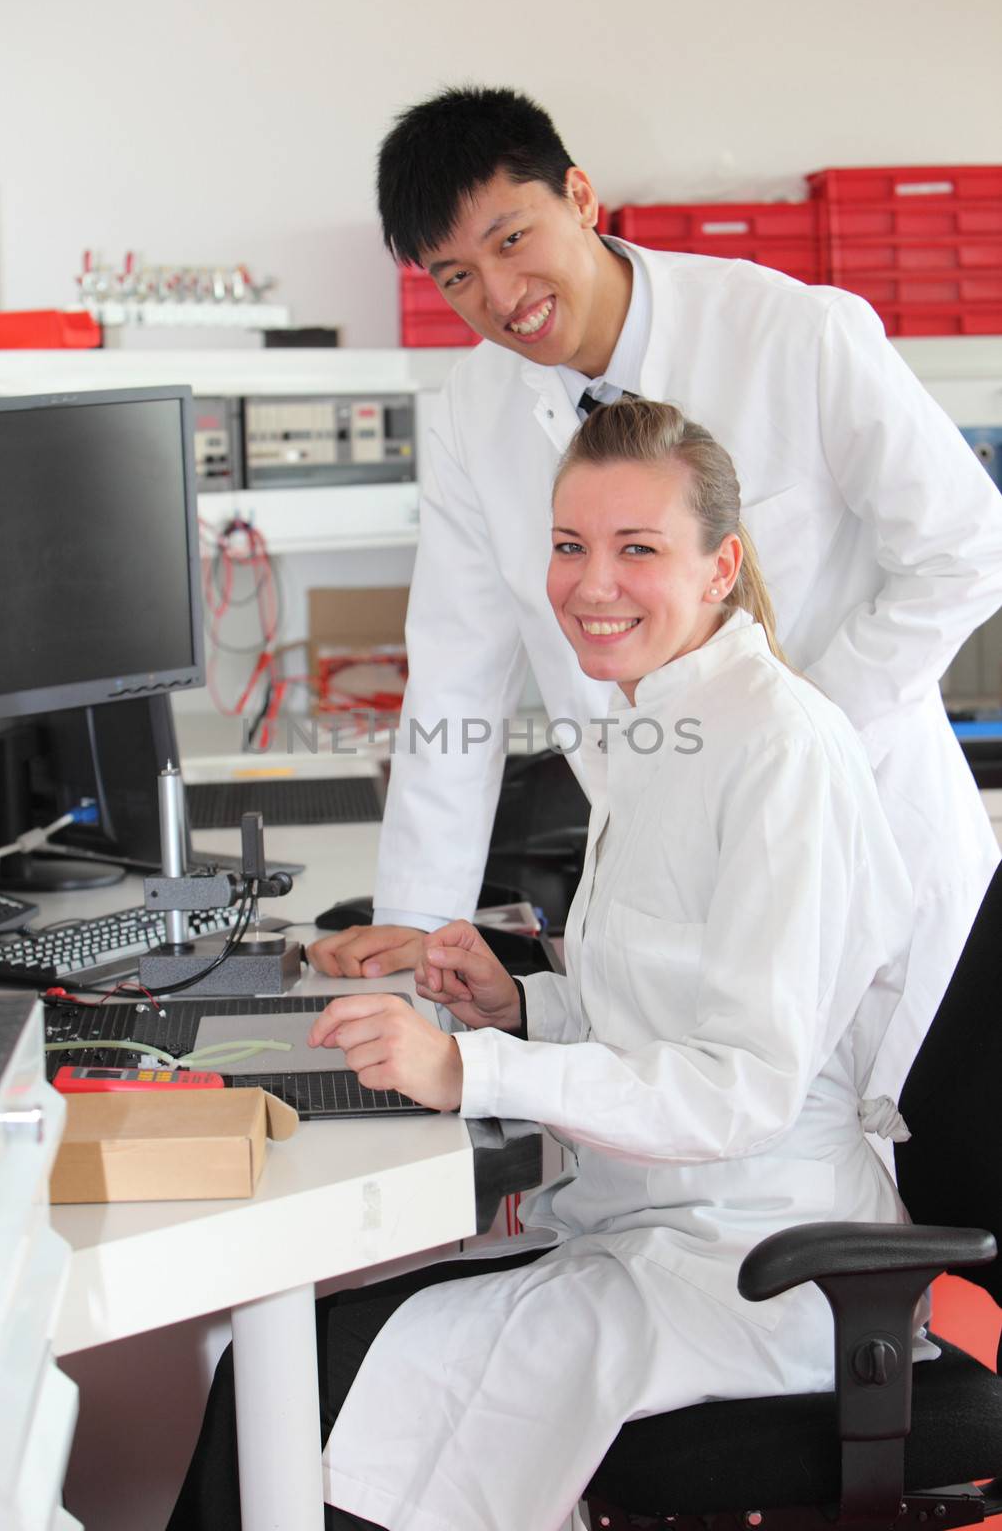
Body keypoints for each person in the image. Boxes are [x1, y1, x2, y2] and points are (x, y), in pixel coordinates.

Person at [171, 399, 919, 1531]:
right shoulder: (669, 721)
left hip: (754, 1262)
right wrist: (517, 1000)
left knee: (302, 1388)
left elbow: (738, 1084)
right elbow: (663, 995)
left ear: (720, 567)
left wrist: (473, 1070)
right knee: (283, 1368)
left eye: (636, 549)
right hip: (654, 1217)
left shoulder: (778, 753)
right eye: (569, 545)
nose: (590, 582)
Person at [310, 85, 1002, 1103]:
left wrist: (791, 744)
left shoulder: (790, 333)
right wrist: (418, 922)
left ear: (578, 196)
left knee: (888, 1163)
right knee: (683, 1137)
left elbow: (966, 547)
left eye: (512, 239)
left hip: (862, 830)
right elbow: (455, 678)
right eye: (458, 276)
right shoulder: (471, 413)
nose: (500, 296)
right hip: (659, 875)